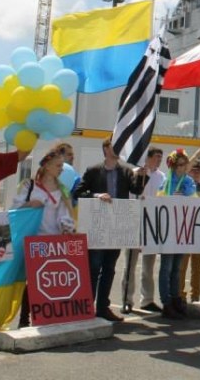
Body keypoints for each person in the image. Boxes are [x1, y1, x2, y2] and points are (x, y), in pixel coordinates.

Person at [75, 137, 142, 322]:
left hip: (116, 226)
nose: (118, 148)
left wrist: (143, 174)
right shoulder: (94, 170)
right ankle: (88, 306)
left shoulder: (126, 171)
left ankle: (103, 307)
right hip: (97, 225)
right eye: (114, 145)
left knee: (109, 268)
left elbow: (136, 190)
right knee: (94, 267)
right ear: (105, 148)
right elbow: (78, 192)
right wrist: (96, 195)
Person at [12, 149, 75, 327]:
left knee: (50, 280)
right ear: (46, 166)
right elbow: (14, 209)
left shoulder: (62, 189)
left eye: (62, 166)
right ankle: (24, 319)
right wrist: (29, 204)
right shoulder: (29, 186)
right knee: (31, 281)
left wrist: (66, 227)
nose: (61, 169)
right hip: (33, 240)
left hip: (54, 242)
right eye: (58, 165)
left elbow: (64, 214)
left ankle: (47, 318)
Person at [121, 147, 165, 314]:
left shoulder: (161, 176)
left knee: (148, 266)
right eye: (156, 157)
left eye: (161, 157)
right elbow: (129, 196)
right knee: (129, 265)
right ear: (148, 158)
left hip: (152, 224)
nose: (159, 160)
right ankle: (127, 299)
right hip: (134, 222)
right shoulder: (134, 173)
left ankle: (147, 300)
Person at [154, 149, 196, 319]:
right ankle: (166, 302)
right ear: (173, 165)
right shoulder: (166, 181)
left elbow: (195, 200)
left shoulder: (188, 181)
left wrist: (185, 197)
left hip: (182, 229)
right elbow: (158, 200)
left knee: (177, 267)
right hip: (168, 229)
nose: (182, 168)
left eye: (184, 165)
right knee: (166, 267)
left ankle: (176, 297)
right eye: (179, 165)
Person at [180, 159, 200, 303]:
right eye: (194, 171)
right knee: (182, 266)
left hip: (199, 233)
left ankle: (195, 296)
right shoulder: (181, 188)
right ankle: (181, 295)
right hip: (184, 232)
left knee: (197, 268)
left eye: (199, 172)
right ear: (188, 171)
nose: (196, 174)